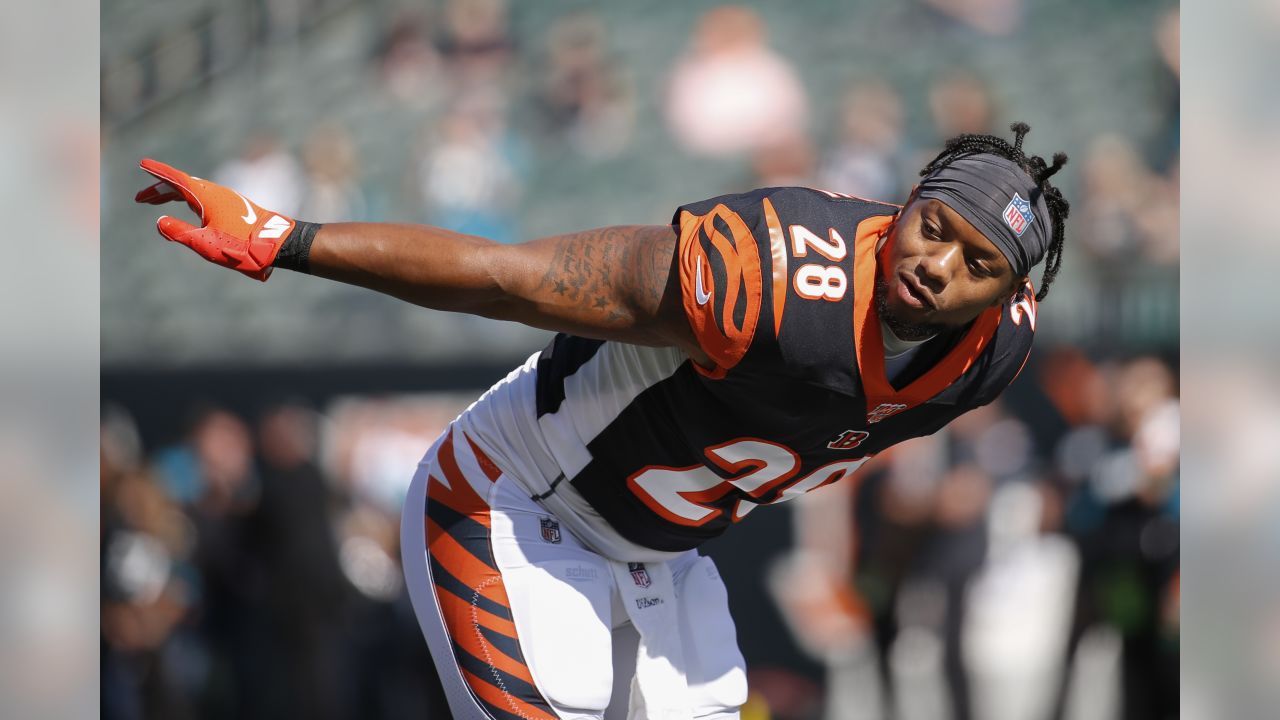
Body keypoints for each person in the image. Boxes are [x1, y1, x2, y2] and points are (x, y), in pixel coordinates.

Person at [134, 121, 1070, 720]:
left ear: (1007, 296)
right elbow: (511, 279)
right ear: (908, 202)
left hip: (661, 556)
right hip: (512, 504)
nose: (939, 264)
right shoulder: (775, 278)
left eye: (978, 264)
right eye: (936, 226)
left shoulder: (991, 356)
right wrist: (287, 241)